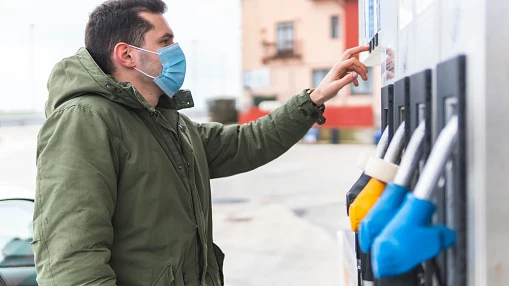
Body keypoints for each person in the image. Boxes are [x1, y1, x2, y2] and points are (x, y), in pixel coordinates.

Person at [32, 0, 369, 285]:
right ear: (127, 55)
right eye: (164, 41)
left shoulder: (170, 123)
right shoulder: (84, 120)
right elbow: (71, 256)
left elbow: (248, 141)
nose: (175, 51)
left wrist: (314, 98)